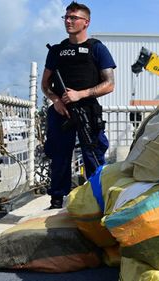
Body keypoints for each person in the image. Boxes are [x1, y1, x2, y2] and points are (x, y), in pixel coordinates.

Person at [41, 1, 116, 209]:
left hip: (87, 111)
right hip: (61, 111)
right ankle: (56, 199)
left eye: (73, 18)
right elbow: (45, 84)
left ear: (86, 22)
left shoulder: (97, 49)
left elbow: (110, 84)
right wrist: (56, 100)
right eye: (66, 17)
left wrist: (80, 94)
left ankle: (97, 200)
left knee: (94, 154)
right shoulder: (56, 51)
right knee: (59, 154)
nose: (68, 21)